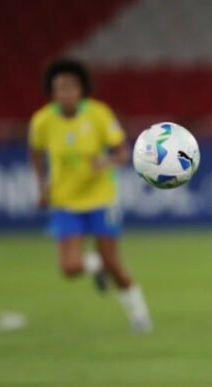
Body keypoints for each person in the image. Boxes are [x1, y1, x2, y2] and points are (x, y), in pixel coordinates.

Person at [28, 58, 152, 333]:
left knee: (113, 262)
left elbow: (122, 152)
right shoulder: (43, 121)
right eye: (60, 88)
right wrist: (42, 185)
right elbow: (35, 153)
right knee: (70, 268)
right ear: (52, 92)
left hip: (100, 199)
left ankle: (138, 312)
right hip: (65, 201)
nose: (66, 93)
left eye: (72, 87)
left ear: (82, 89)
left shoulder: (99, 114)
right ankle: (95, 266)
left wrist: (106, 162)